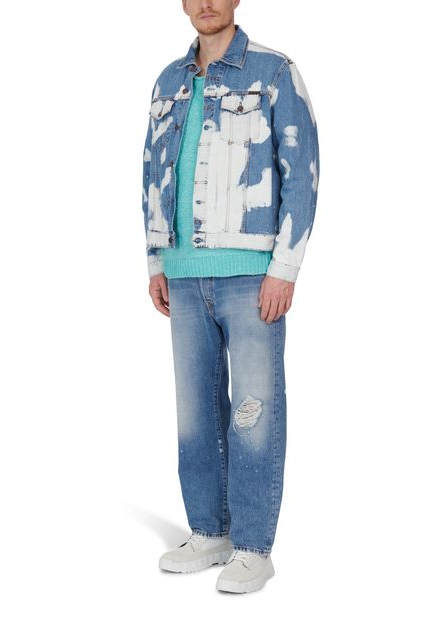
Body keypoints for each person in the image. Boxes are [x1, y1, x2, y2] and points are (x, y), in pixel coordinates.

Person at [141, 0, 320, 593]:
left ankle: (253, 547)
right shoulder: (168, 81)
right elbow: (152, 172)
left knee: (253, 413)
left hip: (251, 274)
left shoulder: (273, 71)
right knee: (195, 413)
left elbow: (302, 173)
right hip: (182, 273)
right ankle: (209, 531)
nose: (207, 4)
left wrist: (285, 268)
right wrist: (156, 258)